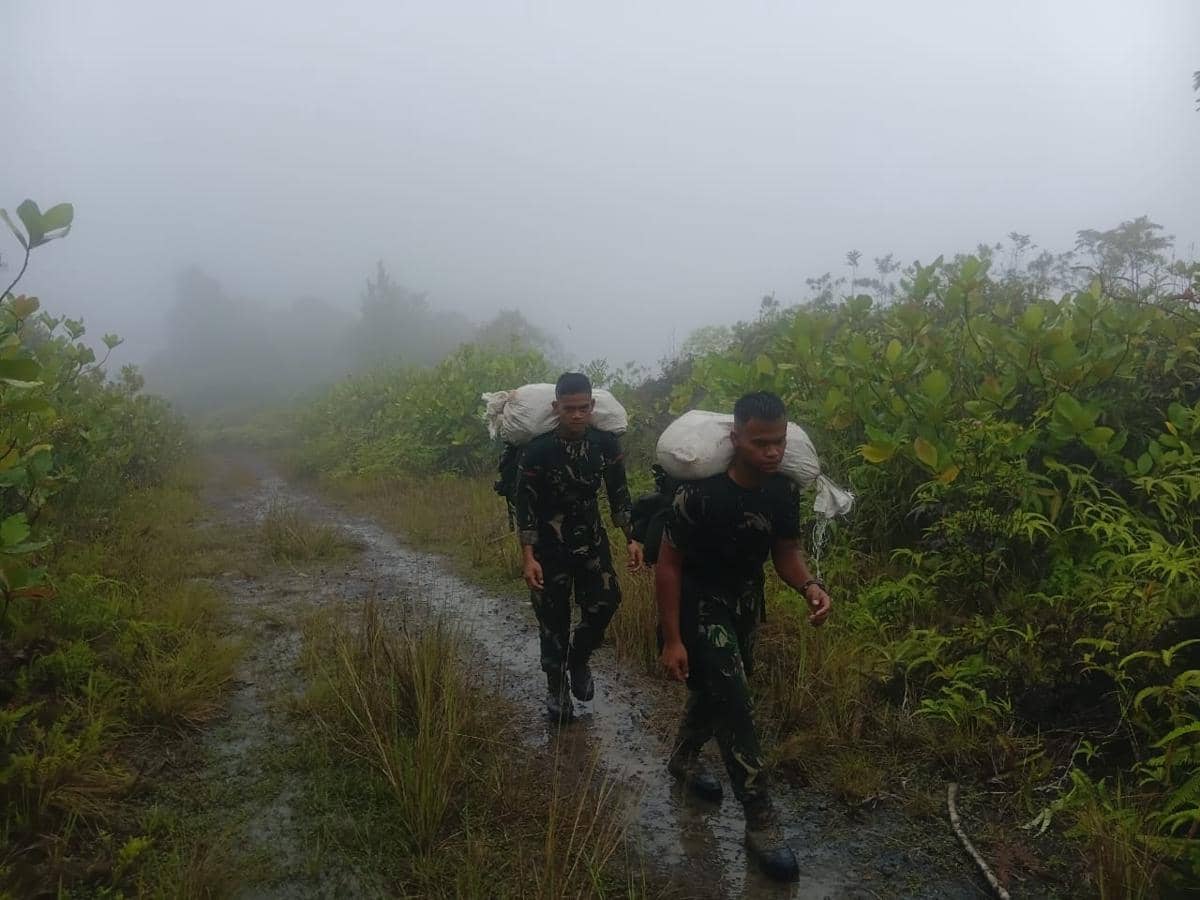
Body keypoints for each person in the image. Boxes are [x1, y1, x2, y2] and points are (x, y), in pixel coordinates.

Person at [655, 391, 832, 882]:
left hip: (745, 603)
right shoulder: (700, 495)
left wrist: (810, 586)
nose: (772, 453)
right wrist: (673, 638)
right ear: (736, 438)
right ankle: (761, 821)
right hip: (700, 603)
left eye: (778, 442)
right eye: (760, 443)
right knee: (735, 701)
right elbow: (668, 567)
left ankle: (684, 759)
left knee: (716, 694)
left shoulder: (781, 492)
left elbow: (786, 552)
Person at [516, 372, 643, 721]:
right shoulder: (538, 450)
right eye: (569, 408)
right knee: (552, 620)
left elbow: (619, 493)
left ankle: (579, 658)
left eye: (583, 408)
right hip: (547, 545)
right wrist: (528, 557)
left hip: (591, 538)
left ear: (592, 406)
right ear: (556, 407)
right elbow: (524, 505)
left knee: (607, 601)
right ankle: (556, 689)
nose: (576, 415)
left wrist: (630, 537)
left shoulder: (605, 444)